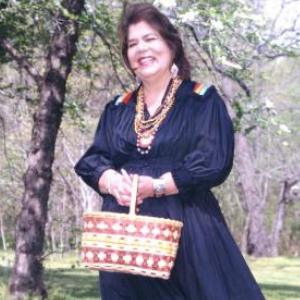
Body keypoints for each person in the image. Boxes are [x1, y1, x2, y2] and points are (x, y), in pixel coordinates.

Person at [75, 3, 266, 300]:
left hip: (188, 229)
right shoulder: (117, 108)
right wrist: (112, 182)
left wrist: (157, 187)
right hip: (126, 238)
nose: (142, 49)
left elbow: (213, 162)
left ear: (170, 45)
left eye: (150, 39)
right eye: (133, 44)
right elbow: (93, 161)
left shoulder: (201, 100)